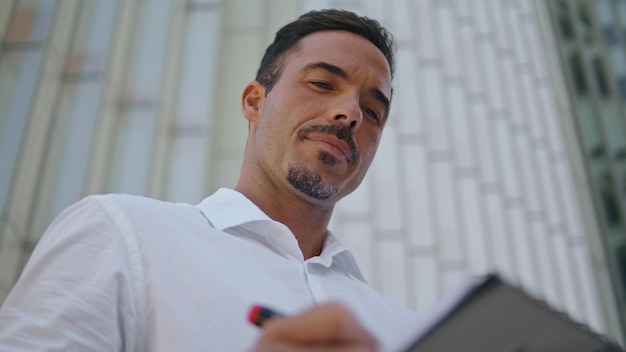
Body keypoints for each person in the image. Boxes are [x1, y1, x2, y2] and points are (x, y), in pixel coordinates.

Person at [0, 9, 418, 351]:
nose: (351, 113)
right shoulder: (120, 233)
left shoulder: (406, 331)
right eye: (323, 83)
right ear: (255, 102)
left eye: (374, 112)